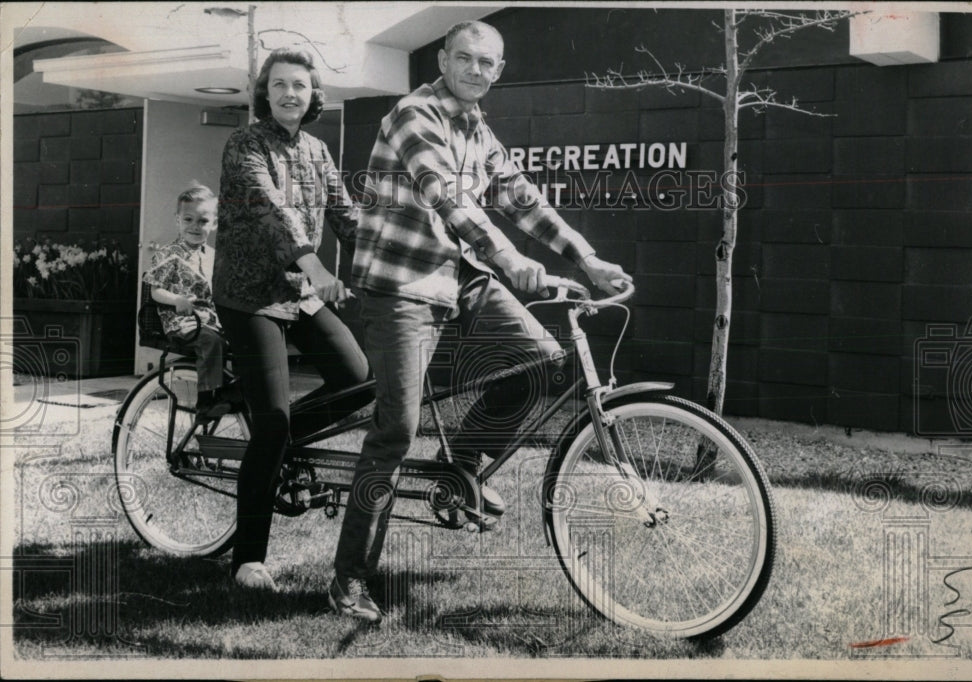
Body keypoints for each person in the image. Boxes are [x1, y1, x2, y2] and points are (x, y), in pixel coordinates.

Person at [329, 20, 632, 623]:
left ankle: (459, 470)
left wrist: (585, 256)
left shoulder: (478, 128)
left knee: (542, 363)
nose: (473, 69)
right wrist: (514, 263)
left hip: (459, 277)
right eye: (463, 58)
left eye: (486, 63)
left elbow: (522, 198)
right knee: (396, 426)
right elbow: (451, 200)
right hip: (400, 287)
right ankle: (349, 579)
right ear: (441, 59)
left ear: (498, 71)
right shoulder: (414, 114)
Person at [212, 48, 373, 591]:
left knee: (356, 379)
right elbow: (268, 209)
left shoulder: (318, 150)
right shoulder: (244, 144)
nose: (289, 94)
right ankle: (248, 561)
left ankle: (272, 442)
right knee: (275, 423)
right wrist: (314, 263)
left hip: (298, 291)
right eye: (278, 85)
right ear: (265, 92)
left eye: (299, 86)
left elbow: (348, 217)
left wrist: (399, 263)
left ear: (312, 94)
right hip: (249, 296)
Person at [145, 183, 231, 419]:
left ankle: (236, 393)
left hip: (209, 320)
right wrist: (177, 299)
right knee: (210, 341)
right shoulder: (168, 254)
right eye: (188, 219)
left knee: (247, 337)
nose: (195, 227)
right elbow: (155, 290)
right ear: (177, 220)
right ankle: (206, 401)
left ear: (213, 224)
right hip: (182, 321)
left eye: (202, 221)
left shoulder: (214, 255)